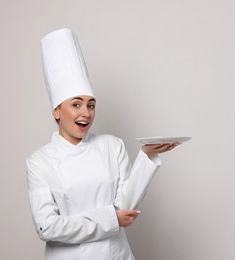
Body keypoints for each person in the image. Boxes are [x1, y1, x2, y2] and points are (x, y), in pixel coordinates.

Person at [26, 28, 178, 260]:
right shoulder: (39, 161)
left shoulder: (112, 145)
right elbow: (47, 227)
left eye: (91, 105)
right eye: (76, 104)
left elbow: (126, 206)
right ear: (57, 111)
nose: (86, 113)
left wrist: (146, 156)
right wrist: (110, 219)